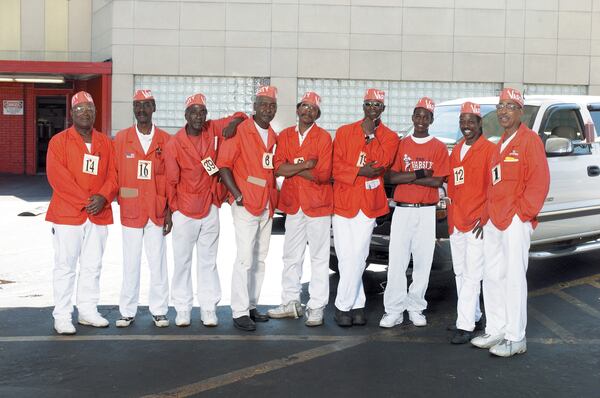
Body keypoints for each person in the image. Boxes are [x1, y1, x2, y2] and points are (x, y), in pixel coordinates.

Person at [471, 88, 550, 357]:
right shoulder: (500, 143)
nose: (503, 110)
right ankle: (497, 329)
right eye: (500, 105)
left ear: (520, 111)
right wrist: (485, 216)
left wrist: (522, 214)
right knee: (492, 275)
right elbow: (493, 185)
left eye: (510, 106)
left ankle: (516, 337)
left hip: (515, 219)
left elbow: (539, 182)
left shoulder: (530, 141)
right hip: (494, 219)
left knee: (514, 277)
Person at [164, 93, 246, 327]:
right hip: (184, 209)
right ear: (186, 116)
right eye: (194, 112)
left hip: (209, 206)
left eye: (202, 112)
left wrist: (233, 123)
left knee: (209, 261)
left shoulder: (212, 129)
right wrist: (173, 210)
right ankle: (182, 308)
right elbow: (171, 181)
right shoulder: (174, 144)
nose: (199, 117)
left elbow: (241, 115)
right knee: (182, 261)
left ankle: (209, 308)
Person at [46, 91, 118, 335]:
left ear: (96, 113)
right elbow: (58, 177)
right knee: (65, 266)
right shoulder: (59, 141)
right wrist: (87, 200)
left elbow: (114, 175)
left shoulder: (106, 143)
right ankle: (62, 315)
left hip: (98, 214)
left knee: (92, 265)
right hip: (68, 215)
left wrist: (104, 196)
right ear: (72, 114)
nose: (85, 113)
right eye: (80, 109)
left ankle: (87, 311)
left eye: (89, 108)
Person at [331, 88, 399, 327]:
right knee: (345, 256)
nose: (373, 109)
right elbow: (335, 168)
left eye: (377, 105)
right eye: (369, 104)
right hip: (343, 202)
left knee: (358, 256)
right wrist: (360, 170)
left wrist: (371, 137)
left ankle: (341, 306)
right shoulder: (344, 132)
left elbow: (381, 165)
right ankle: (358, 305)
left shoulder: (389, 137)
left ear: (383, 109)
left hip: (368, 204)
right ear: (363, 107)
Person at [380, 97, 449, 328]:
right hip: (403, 210)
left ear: (431, 120)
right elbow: (390, 177)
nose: (421, 120)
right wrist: (420, 175)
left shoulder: (438, 147)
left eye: (425, 116)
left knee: (422, 262)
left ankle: (416, 307)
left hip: (427, 211)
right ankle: (393, 309)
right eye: (417, 115)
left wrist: (408, 177)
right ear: (412, 118)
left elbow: (437, 181)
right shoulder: (402, 144)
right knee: (397, 261)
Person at [218, 86, 279, 332]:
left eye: (272, 105)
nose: (268, 109)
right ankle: (240, 310)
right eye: (263, 104)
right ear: (254, 107)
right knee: (244, 258)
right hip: (245, 204)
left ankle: (252, 304)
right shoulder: (240, 130)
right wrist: (237, 194)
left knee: (260, 258)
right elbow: (223, 165)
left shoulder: (273, 135)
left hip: (266, 203)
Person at [269, 91, 333, 327]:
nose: (307, 111)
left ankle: (316, 306)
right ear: (297, 110)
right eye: (304, 107)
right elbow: (278, 169)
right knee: (291, 256)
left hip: (318, 205)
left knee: (319, 258)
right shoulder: (285, 135)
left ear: (317, 113)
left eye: (312, 108)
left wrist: (293, 167)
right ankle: (290, 302)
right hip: (294, 204)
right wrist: (306, 164)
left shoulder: (324, 138)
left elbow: (324, 174)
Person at [113, 89, 172, 328]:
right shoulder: (121, 139)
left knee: (158, 262)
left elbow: (171, 176)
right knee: (130, 262)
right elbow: (114, 172)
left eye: (146, 105)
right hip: (131, 210)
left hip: (156, 210)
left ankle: (159, 310)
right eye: (137, 106)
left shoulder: (166, 140)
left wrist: (169, 208)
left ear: (154, 108)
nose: (142, 110)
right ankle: (127, 311)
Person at [446, 101, 495, 344]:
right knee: (460, 273)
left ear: (479, 124)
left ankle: (464, 326)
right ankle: (472, 315)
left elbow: (494, 190)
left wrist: (484, 218)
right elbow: (453, 186)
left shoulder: (490, 150)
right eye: (463, 122)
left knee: (473, 274)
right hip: (457, 222)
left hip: (476, 222)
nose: (466, 126)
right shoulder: (456, 150)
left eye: (471, 122)